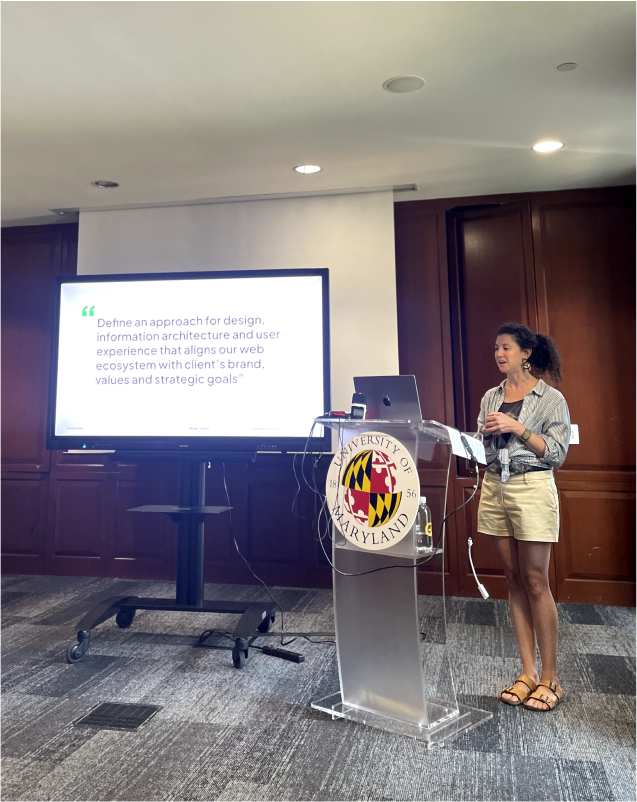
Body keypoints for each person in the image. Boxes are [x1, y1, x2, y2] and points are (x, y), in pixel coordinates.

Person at [477, 322, 570, 712]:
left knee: (535, 580)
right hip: (495, 486)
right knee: (513, 579)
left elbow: (556, 452)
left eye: (506, 348)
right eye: (496, 348)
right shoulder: (490, 396)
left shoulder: (551, 400)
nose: (499, 354)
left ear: (526, 353)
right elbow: (483, 442)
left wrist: (517, 426)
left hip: (532, 488)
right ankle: (527, 673)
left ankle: (551, 679)